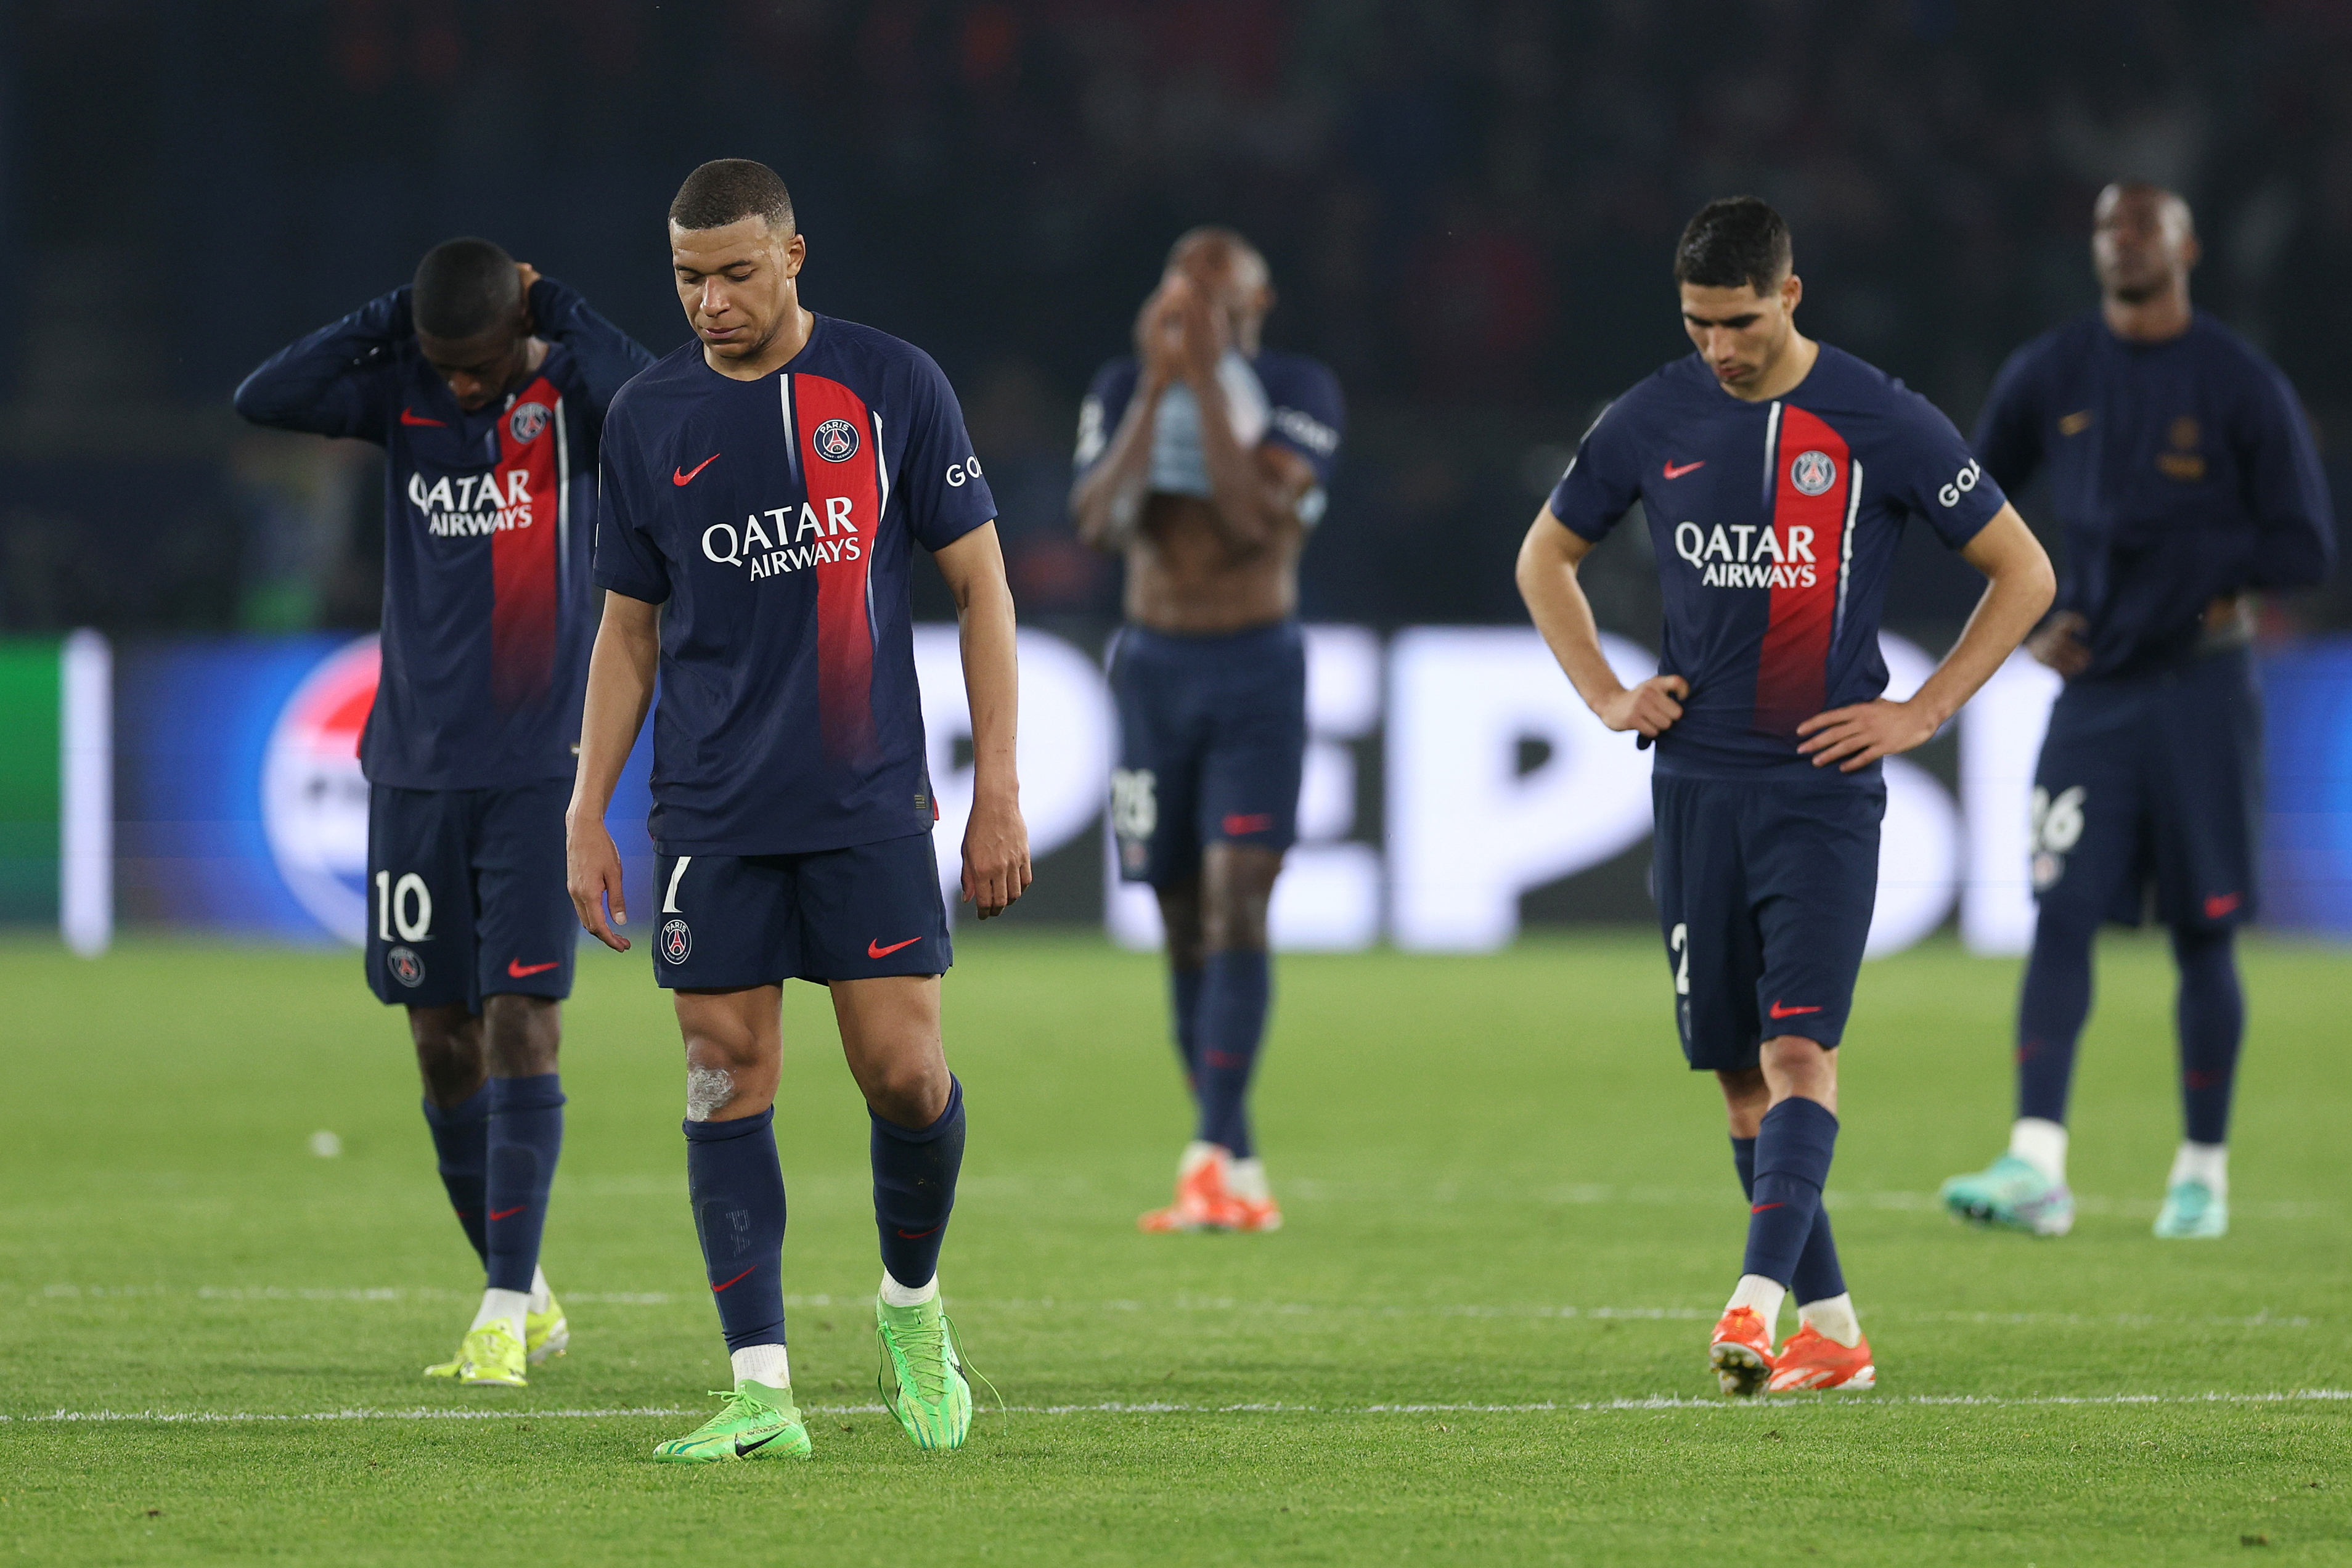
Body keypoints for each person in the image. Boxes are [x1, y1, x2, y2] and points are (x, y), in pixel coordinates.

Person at [1516, 197, 2055, 1395]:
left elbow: (2025, 570)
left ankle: (1754, 1306)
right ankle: (1835, 1333)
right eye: (1699, 323)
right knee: (1737, 1077)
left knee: (1799, 1049)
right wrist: (1605, 691)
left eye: (1742, 322)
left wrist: (1925, 709)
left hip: (1820, 789)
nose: (1721, 347)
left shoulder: (1880, 417)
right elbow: (1545, 556)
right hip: (1694, 785)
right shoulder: (1651, 416)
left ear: (1790, 296)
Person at [567, 158, 1029, 1463]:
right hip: (711, 810)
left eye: (733, 273)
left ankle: (912, 1309)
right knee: (724, 1073)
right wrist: (586, 806)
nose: (709, 301)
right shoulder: (649, 417)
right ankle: (761, 1390)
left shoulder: (892, 386)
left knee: (906, 1075)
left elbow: (982, 589)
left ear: (792, 256)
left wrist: (997, 788)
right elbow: (628, 632)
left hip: (866, 796)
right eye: (687, 278)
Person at [234, 241, 652, 1386]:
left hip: (535, 769)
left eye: (479, 364)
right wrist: (393, 317)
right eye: (445, 362)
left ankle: (501, 1306)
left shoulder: (570, 402)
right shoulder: (405, 391)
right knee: (440, 1041)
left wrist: (557, 307)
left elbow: (655, 401)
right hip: (412, 770)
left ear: (520, 328)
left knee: (524, 1023)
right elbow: (264, 396)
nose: (463, 384)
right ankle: (524, 1292)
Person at [1940, 184, 2335, 1241]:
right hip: (2097, 692)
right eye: (2109, 226)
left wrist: (2208, 579)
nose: (2123, 243)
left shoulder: (2239, 383)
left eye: (2142, 227)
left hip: (2205, 690)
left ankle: (2201, 1174)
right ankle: (2037, 1164)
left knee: (2205, 935)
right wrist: (2030, 619)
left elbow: (2306, 545)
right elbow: (1967, 503)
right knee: (2060, 912)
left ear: (2185, 248)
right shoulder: (2051, 372)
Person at [1069, 228, 1344, 1234]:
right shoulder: (1121, 388)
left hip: (1255, 671)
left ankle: (1207, 1153)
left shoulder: (1301, 390)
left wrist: (1205, 381)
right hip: (1153, 673)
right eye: (1179, 304)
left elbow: (1251, 522)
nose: (1194, 324)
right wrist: (1157, 390)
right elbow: (1097, 522)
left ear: (1255, 308)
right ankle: (1239, 1167)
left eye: (1216, 307)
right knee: (1182, 916)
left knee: (1239, 897)